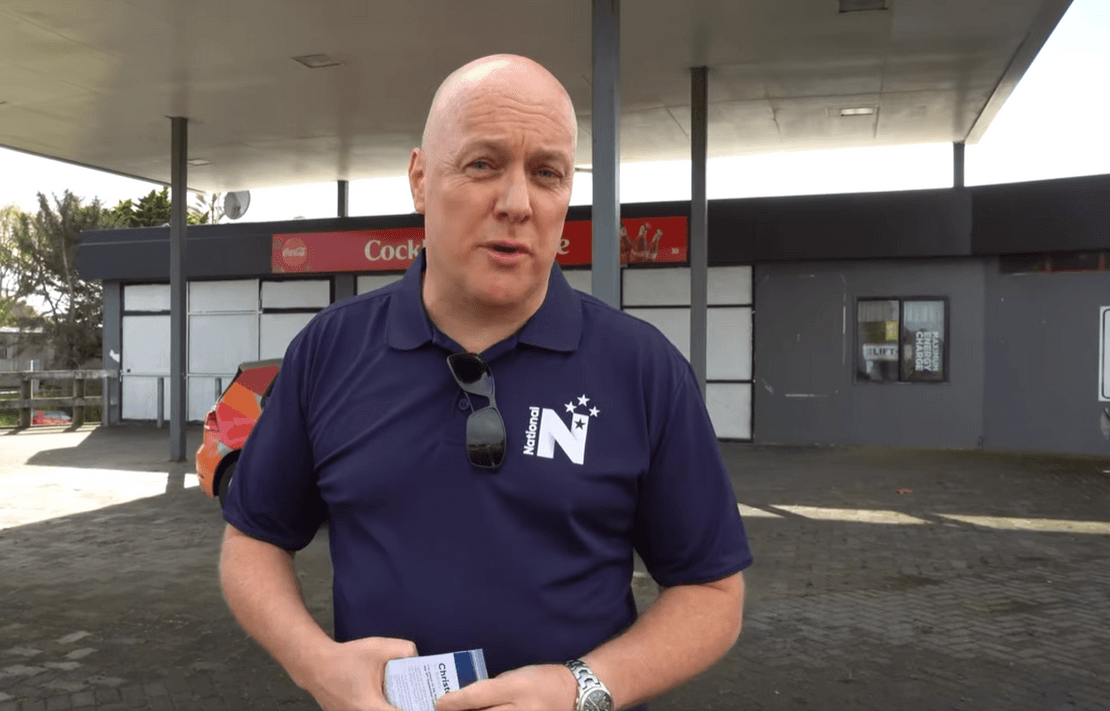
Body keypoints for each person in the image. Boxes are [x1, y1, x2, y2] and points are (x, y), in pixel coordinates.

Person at [220, 54, 752, 711]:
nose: (517, 203)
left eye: (547, 173)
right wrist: (317, 664)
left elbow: (712, 593)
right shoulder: (329, 353)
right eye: (483, 164)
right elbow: (252, 541)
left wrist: (580, 687)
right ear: (420, 178)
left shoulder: (642, 369)